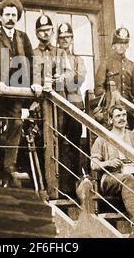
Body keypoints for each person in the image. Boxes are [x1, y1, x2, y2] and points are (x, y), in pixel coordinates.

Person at [0, 0, 42, 187]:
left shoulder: (23, 37)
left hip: (15, 91)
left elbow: (32, 62)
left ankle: (9, 167)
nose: (11, 18)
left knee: (16, 124)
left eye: (14, 15)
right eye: (7, 15)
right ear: (0, 17)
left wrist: (36, 83)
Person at [91, 104, 134, 234]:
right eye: (117, 116)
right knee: (128, 179)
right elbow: (93, 164)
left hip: (132, 174)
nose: (122, 118)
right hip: (110, 178)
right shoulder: (103, 138)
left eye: (124, 115)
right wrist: (108, 163)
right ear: (111, 120)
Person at [95, 27, 134, 130]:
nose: (122, 46)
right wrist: (109, 101)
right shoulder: (105, 63)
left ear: (127, 45)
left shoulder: (131, 65)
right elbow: (98, 89)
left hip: (128, 112)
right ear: (113, 46)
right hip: (111, 112)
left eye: (124, 43)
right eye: (119, 43)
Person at [57, 22, 87, 194]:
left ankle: (76, 181)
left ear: (72, 39)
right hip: (59, 107)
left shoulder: (78, 60)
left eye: (68, 37)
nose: (65, 41)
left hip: (74, 106)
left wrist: (64, 79)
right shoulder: (55, 57)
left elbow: (80, 78)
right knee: (59, 143)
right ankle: (63, 184)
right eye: (61, 38)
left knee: (75, 143)